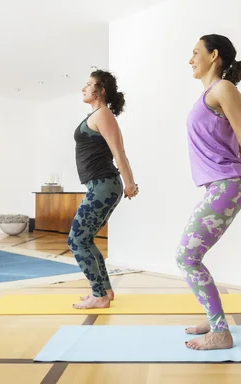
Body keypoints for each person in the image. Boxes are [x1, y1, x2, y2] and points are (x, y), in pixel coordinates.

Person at [176, 34, 241, 350]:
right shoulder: (208, 94)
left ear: (213, 55)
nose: (190, 59)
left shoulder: (224, 89)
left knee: (187, 256)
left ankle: (220, 332)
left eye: (195, 52)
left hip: (229, 183)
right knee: (191, 256)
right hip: (219, 185)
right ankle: (212, 316)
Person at [69, 69, 139, 309]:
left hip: (104, 185)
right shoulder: (97, 114)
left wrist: (130, 183)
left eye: (89, 84)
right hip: (98, 185)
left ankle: (98, 295)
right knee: (85, 239)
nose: (83, 88)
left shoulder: (103, 114)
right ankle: (105, 291)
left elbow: (119, 152)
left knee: (76, 240)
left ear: (101, 91)